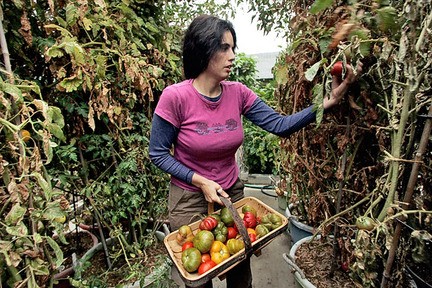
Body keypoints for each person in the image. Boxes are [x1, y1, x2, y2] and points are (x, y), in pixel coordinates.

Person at [149, 14, 362, 288]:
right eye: (224, 48)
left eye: (233, 48)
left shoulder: (238, 92)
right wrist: (200, 181)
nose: (232, 56)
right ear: (203, 49)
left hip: (231, 195)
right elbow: (158, 153)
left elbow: (280, 125)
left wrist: (326, 103)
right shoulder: (175, 97)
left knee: (240, 269)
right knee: (197, 277)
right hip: (189, 199)